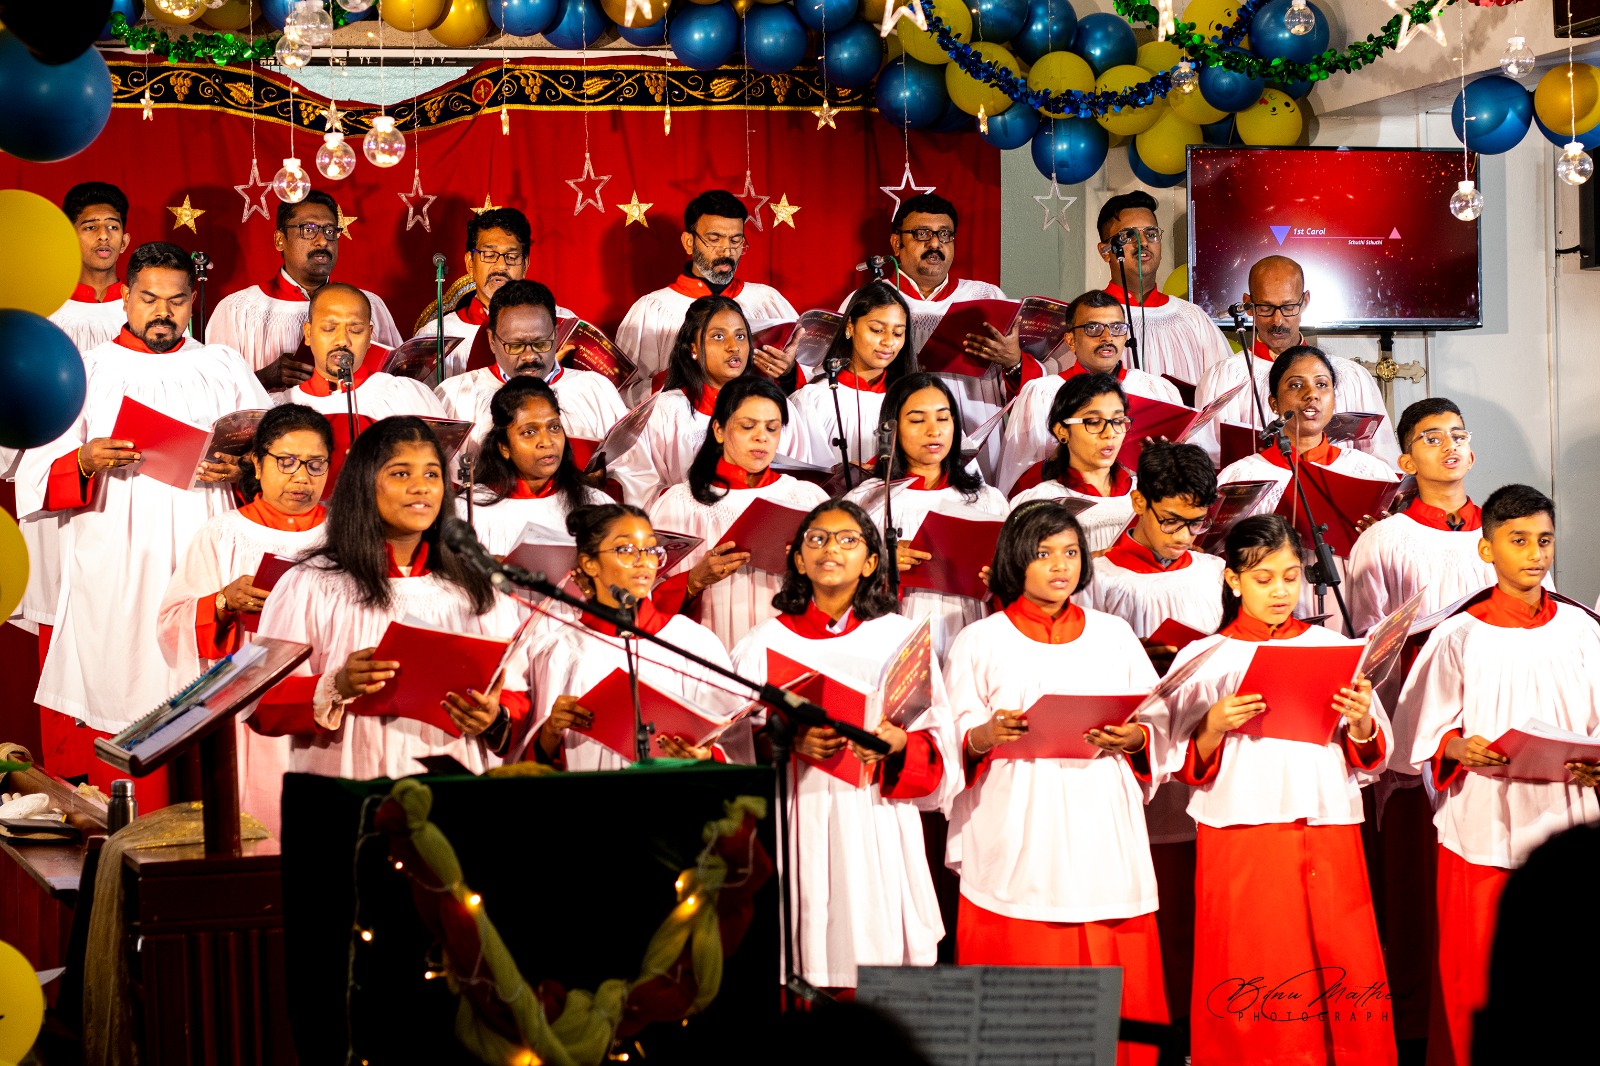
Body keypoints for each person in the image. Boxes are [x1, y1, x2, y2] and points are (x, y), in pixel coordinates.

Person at [15, 242, 270, 792]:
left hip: (205, 548)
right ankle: (132, 813)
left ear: (192, 301)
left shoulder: (222, 365)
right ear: (126, 297)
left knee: (204, 693)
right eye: (150, 298)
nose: (163, 312)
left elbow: (272, 447)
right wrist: (84, 460)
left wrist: (242, 468)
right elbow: (35, 476)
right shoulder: (87, 370)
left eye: (176, 301)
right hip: (119, 556)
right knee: (127, 685)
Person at [1162, 515, 1395, 1065]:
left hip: (1327, 821)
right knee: (1255, 959)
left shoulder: (1332, 647)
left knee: (1340, 954)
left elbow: (1371, 752)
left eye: (1290, 577)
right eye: (1263, 579)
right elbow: (1180, 761)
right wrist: (1214, 724)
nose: (1280, 591)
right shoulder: (1204, 657)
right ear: (1233, 580)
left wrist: (1361, 720)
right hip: (1243, 829)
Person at [943, 501, 1167, 1066]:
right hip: (1019, 810)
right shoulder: (980, 640)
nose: (1061, 565)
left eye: (1070, 552)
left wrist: (1135, 737)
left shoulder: (1113, 635)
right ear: (1016, 559)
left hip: (1099, 807)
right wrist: (984, 735)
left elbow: (1155, 717)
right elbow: (951, 734)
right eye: (1044, 554)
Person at [1396, 484, 1600, 1066]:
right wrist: (1456, 746)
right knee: (1480, 971)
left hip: (1571, 817)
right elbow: (1418, 733)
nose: (1535, 554)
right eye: (1518, 541)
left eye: (1545, 540)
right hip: (1484, 828)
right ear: (1487, 550)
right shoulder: (1459, 635)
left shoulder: (1582, 630)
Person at [730, 500, 959, 991]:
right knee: (806, 949)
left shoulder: (900, 638)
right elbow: (732, 741)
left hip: (875, 813)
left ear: (871, 562)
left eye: (847, 539)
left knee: (881, 957)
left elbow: (939, 739)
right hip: (800, 811)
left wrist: (900, 743)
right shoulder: (761, 644)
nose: (830, 548)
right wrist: (787, 740)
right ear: (798, 558)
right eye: (817, 539)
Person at [250, 417, 530, 778]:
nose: (421, 487)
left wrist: (492, 717)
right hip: (349, 775)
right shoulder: (311, 583)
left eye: (432, 474)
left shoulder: (474, 587)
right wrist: (336, 684)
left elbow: (514, 690)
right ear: (364, 483)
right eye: (401, 474)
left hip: (451, 774)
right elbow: (262, 702)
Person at [1075, 439, 1221, 1031]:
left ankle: (1194, 1022)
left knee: (1195, 900)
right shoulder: (1096, 574)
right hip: (1127, 742)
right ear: (1138, 502)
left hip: (1200, 737)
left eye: (1196, 523)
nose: (1185, 536)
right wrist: (1137, 655)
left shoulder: (1213, 572)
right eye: (1172, 521)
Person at [156, 404, 333, 838]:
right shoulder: (223, 534)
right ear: (256, 462)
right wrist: (222, 602)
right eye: (286, 462)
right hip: (252, 701)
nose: (302, 477)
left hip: (329, 693)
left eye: (315, 464)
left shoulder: (347, 533)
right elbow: (171, 624)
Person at [527, 503, 745, 770]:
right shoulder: (560, 649)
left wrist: (706, 757)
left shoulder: (693, 642)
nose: (644, 561)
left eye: (652, 550)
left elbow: (735, 745)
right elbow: (534, 767)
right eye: (626, 550)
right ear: (589, 563)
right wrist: (551, 731)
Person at [1215, 345, 1397, 624]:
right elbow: (1219, 557)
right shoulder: (1241, 476)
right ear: (1274, 403)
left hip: (1352, 606)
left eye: (1322, 385)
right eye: (1296, 385)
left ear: (1333, 398)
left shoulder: (1370, 472)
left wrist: (1382, 536)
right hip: (1271, 615)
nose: (1311, 394)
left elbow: (1395, 560)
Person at [649, 376, 827, 648]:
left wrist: (811, 565)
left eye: (772, 428)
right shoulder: (681, 503)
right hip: (710, 644)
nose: (761, 437)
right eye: (747, 426)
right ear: (719, 430)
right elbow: (643, 594)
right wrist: (693, 581)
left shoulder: (807, 498)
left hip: (789, 646)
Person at [870, 193, 1033, 479]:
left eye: (945, 234)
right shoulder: (871, 301)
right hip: (902, 432)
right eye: (922, 234)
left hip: (979, 429)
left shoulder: (986, 297)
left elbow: (1023, 390)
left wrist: (1013, 362)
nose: (935, 244)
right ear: (896, 243)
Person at [843, 372, 1007, 657]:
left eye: (943, 418)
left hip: (969, 631)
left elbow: (1017, 579)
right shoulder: (867, 500)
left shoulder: (987, 500)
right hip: (894, 631)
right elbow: (834, 574)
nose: (934, 431)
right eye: (918, 420)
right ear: (891, 428)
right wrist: (879, 562)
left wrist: (1002, 577)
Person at [1193, 255, 1398, 468]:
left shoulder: (1351, 376)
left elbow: (1383, 463)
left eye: (1288, 307)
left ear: (1305, 302)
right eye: (1265, 308)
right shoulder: (1223, 379)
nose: (1278, 320)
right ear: (1248, 305)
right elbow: (1204, 463)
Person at [610, 295, 808, 507]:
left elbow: (803, 473)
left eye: (740, 336)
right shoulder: (665, 410)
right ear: (693, 348)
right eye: (719, 336)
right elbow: (642, 487)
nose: (734, 346)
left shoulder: (774, 407)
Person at [614, 190, 797, 403]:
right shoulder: (652, 309)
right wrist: (684, 375)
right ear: (689, 242)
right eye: (714, 240)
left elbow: (811, 385)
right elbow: (622, 395)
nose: (726, 251)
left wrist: (788, 373)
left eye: (735, 240)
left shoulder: (766, 300)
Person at [206, 190, 401, 388]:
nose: (323, 241)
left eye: (330, 231)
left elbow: (399, 380)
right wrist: (262, 378)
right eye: (308, 229)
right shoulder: (238, 310)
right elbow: (213, 393)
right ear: (280, 240)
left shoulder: (369, 306)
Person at [995, 289, 1181, 495]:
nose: (1107, 337)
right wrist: (1060, 457)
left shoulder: (1155, 390)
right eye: (1093, 328)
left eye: (1116, 328)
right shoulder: (1043, 393)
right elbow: (1016, 482)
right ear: (1071, 340)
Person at [1347, 398, 1497, 636]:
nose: (1450, 446)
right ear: (1408, 464)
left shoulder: (1506, 531)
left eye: (1458, 437)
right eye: (1433, 439)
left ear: (1470, 458)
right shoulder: (1382, 540)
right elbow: (1365, 632)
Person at [434, 279, 626, 459]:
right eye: (516, 346)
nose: (529, 357)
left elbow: (630, 467)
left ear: (556, 334)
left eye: (540, 344)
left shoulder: (595, 390)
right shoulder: (456, 395)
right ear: (492, 341)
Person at [1092, 191, 1232, 389]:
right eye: (1128, 235)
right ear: (1105, 252)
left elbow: (1223, 392)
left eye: (1151, 234)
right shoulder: (1088, 320)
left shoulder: (1193, 319)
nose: (1143, 242)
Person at [459, 376, 610, 556]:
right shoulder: (470, 510)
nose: (547, 442)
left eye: (554, 427)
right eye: (529, 432)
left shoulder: (595, 502)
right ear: (504, 446)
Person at [415, 207, 572, 378]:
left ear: (525, 265)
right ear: (470, 263)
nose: (501, 266)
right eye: (489, 255)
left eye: (511, 256)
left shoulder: (562, 324)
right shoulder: (436, 336)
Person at [278, 282, 446, 425]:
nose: (342, 340)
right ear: (308, 334)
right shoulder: (280, 406)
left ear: (369, 336)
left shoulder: (404, 395)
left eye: (356, 330)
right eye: (329, 328)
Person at [1008, 373, 1139, 554]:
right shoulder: (1041, 502)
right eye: (1094, 422)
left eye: (1118, 421)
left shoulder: (1146, 492)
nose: (1110, 433)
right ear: (1062, 431)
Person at [790, 281, 914, 470]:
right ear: (850, 326)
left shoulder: (912, 400)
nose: (889, 342)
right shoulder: (813, 399)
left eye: (898, 333)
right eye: (877, 330)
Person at [53, 181, 132, 349]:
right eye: (90, 227)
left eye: (112, 226)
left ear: (124, 242)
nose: (104, 235)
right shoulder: (48, 312)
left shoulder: (146, 310)